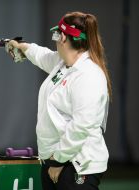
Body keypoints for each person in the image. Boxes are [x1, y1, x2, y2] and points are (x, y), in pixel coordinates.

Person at [8, 11, 111, 190]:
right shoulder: (63, 65)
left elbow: (82, 125)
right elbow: (43, 55)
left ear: (63, 37)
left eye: (56, 35)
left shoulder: (88, 75)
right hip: (57, 160)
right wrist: (21, 46)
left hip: (77, 164)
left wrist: (58, 161)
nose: (55, 40)